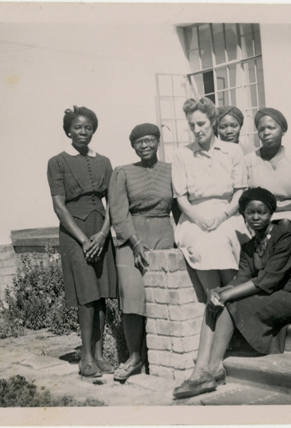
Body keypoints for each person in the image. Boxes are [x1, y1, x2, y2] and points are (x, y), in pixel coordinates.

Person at [173, 187, 291, 399]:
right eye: (251, 212)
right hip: (271, 295)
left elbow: (268, 279)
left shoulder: (284, 237)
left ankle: (213, 369)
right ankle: (200, 370)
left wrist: (226, 295)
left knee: (230, 303)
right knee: (213, 301)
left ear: (271, 214)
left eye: (262, 212)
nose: (256, 217)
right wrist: (217, 292)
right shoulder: (249, 246)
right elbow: (241, 278)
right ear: (244, 215)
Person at [47, 106, 117, 378]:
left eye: (88, 127)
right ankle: (85, 357)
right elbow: (59, 206)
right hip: (75, 234)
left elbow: (113, 203)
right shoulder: (58, 162)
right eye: (78, 127)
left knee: (101, 296)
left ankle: (99, 356)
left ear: (93, 130)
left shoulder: (105, 162)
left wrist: (102, 234)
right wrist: (85, 239)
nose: (83, 132)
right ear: (68, 130)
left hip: (101, 231)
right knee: (87, 296)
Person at [108, 123, 175, 382]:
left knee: (163, 295)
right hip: (130, 238)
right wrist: (135, 243)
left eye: (149, 140)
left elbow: (179, 206)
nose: (144, 146)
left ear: (158, 142)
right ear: (133, 146)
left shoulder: (172, 170)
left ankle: (164, 355)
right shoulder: (122, 172)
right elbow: (118, 211)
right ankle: (135, 357)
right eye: (139, 142)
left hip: (163, 233)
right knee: (133, 296)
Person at [172, 97, 249, 304]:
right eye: (191, 125)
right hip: (194, 216)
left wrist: (222, 216)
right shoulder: (182, 154)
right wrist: (199, 220)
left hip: (228, 212)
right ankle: (214, 301)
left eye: (201, 123)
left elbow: (240, 191)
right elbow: (181, 198)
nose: (197, 130)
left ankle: (232, 302)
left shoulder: (232, 151)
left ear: (213, 122)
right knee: (203, 244)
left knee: (225, 239)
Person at [245, 108, 291, 243]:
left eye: (271, 128)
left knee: (284, 224)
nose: (266, 132)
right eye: (261, 129)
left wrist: (279, 210)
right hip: (259, 214)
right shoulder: (248, 161)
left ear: (283, 130)